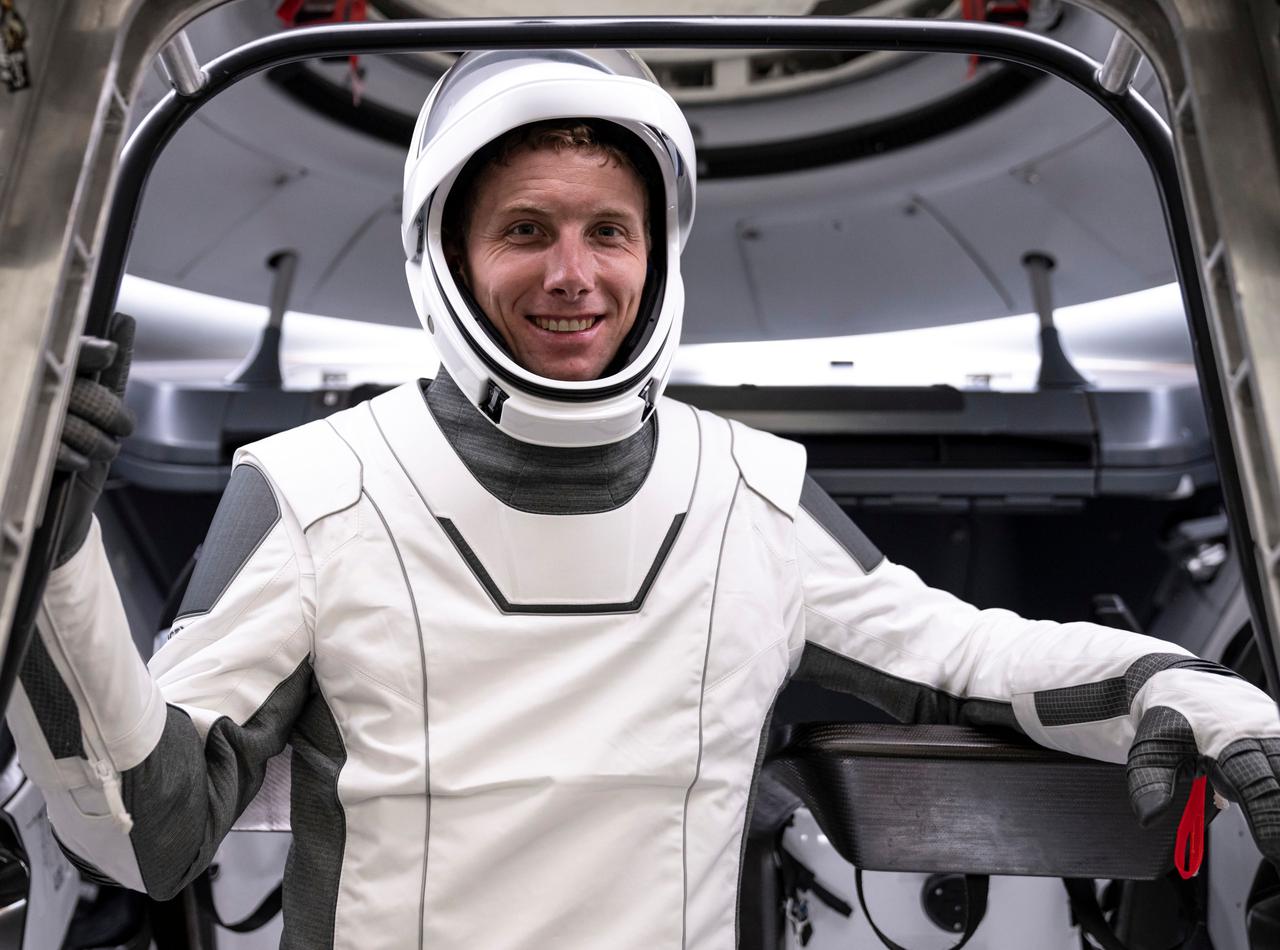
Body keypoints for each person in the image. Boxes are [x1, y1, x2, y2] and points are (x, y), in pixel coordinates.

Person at [8, 48, 1280, 950]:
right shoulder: (310, 488)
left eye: (607, 231)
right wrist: (58, 559)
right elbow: (145, 834)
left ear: (655, 251)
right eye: (524, 229)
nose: (574, 275)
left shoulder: (749, 493)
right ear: (447, 255)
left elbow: (967, 653)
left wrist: (1180, 683)